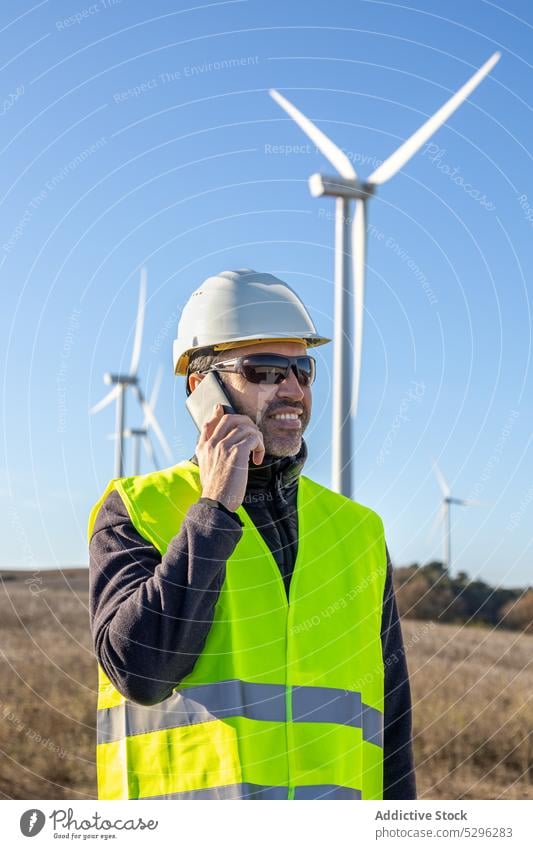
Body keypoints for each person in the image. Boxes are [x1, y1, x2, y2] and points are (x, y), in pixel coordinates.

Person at [88, 268, 416, 800]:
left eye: (303, 370)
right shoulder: (136, 510)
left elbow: (393, 728)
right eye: (265, 370)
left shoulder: (358, 531)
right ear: (202, 388)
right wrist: (214, 509)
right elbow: (141, 671)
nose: (293, 390)